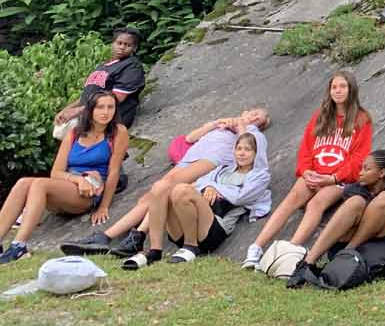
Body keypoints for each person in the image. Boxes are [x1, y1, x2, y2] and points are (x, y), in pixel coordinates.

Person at [63, 107, 271, 258]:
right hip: (191, 157)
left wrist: (241, 124)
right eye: (253, 112)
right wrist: (214, 124)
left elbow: (248, 148)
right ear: (245, 110)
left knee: (166, 188)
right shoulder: (224, 123)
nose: (254, 117)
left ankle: (131, 235)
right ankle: (112, 236)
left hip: (214, 159)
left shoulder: (252, 135)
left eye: (258, 119)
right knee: (153, 193)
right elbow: (190, 138)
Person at [243, 71, 373, 268]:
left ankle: (289, 252)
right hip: (314, 172)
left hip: (338, 179)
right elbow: (306, 148)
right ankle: (256, 248)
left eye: (342, 86)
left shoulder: (362, 119)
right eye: (334, 87)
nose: (337, 91)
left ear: (351, 89)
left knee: (316, 203)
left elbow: (358, 158)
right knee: (293, 197)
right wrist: (305, 171)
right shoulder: (321, 115)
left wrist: (333, 178)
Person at [0, 92, 130, 264]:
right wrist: (78, 179)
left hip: (90, 191)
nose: (106, 112)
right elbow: (56, 172)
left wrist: (104, 207)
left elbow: (113, 172)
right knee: (23, 183)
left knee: (39, 184)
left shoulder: (118, 132)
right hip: (69, 184)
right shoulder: (75, 133)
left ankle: (19, 246)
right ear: (90, 109)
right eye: (100, 107)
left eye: (110, 107)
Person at [123, 130, 271, 268]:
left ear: (257, 153)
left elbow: (240, 197)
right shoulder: (223, 170)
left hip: (213, 230)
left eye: (247, 149)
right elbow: (199, 184)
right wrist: (208, 187)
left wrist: (213, 187)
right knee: (160, 187)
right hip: (187, 225)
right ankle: (154, 251)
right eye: (239, 149)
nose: (242, 153)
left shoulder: (260, 175)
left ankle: (191, 246)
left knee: (182, 190)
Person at [287, 150, 385, 288]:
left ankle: (345, 255)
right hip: (347, 240)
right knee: (356, 202)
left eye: (366, 169)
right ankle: (308, 263)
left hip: (379, 238)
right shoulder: (353, 190)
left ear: (381, 173)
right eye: (361, 168)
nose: (360, 173)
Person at [50, 26, 145, 137]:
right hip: (87, 115)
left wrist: (78, 111)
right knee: (60, 131)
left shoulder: (132, 66)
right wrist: (67, 110)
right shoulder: (103, 66)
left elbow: (117, 97)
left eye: (127, 45)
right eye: (119, 43)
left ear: (134, 48)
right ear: (113, 43)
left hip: (108, 120)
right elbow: (86, 95)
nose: (122, 47)